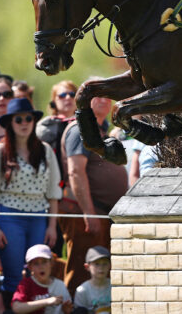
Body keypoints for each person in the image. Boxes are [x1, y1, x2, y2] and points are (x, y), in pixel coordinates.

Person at [0, 98, 61, 297]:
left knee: (39, 273)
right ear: (10, 124)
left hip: (39, 217)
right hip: (9, 217)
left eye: (28, 118)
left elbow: (53, 193)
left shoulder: (45, 151)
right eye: (18, 120)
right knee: (14, 274)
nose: (24, 123)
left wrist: (51, 225)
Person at [59, 95, 128, 293]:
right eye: (97, 95)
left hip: (103, 214)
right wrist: (89, 212)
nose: (104, 99)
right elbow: (75, 171)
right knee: (82, 272)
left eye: (108, 96)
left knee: (100, 274)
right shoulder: (81, 129)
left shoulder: (100, 131)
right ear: (84, 101)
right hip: (88, 214)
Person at [11, 244, 72, 314]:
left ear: (51, 263)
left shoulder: (60, 285)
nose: (41, 267)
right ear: (30, 267)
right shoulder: (26, 284)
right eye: (36, 263)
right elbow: (16, 308)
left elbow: (67, 309)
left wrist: (67, 310)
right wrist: (46, 302)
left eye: (44, 262)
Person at [72, 246, 111, 314]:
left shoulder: (115, 286)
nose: (101, 268)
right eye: (97, 264)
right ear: (87, 267)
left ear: (110, 266)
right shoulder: (82, 291)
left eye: (105, 264)